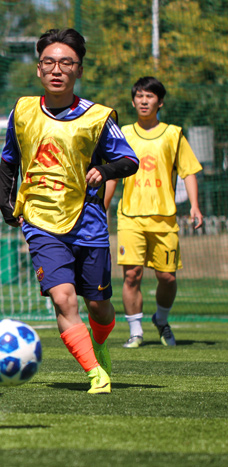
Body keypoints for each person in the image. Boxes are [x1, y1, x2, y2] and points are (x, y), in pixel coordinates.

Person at [0, 28, 138, 394]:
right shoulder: (23, 111)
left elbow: (129, 160)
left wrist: (105, 170)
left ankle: (100, 344)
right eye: (49, 62)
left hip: (88, 224)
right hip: (40, 221)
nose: (57, 69)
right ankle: (95, 373)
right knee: (63, 298)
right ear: (39, 69)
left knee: (99, 305)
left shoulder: (98, 117)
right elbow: (9, 160)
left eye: (66, 62)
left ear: (79, 69)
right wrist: (7, 204)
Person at [106, 77, 203, 348]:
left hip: (164, 219)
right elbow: (112, 174)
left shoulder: (173, 134)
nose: (143, 101)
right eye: (139, 96)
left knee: (167, 277)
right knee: (132, 275)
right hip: (130, 217)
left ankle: (161, 319)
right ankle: (135, 331)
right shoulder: (123, 134)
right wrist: (103, 207)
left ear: (159, 102)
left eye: (149, 96)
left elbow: (189, 171)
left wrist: (195, 206)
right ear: (133, 101)